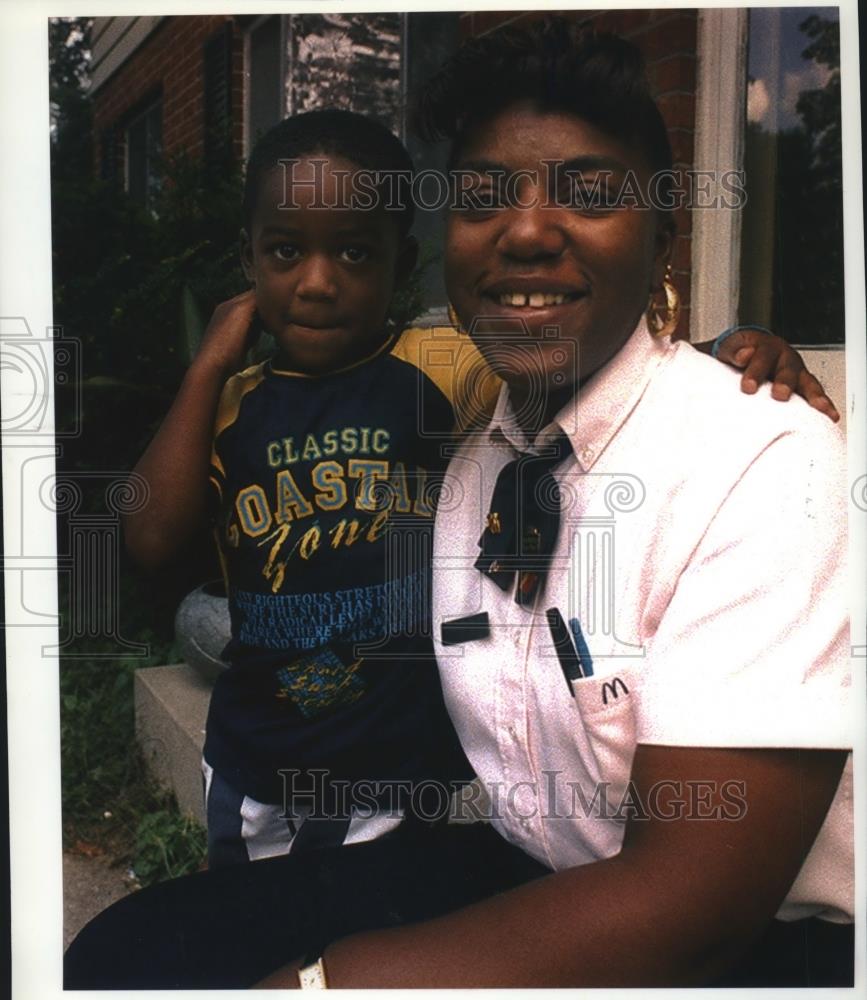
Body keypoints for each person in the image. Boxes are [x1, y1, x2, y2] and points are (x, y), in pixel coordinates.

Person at [65, 20, 851, 990]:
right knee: (124, 957)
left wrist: (319, 983)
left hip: (751, 952)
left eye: (592, 193)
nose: (525, 229)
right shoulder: (473, 447)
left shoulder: (758, 460)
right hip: (521, 869)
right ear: (445, 247)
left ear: (662, 239)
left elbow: (693, 909)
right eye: (483, 197)